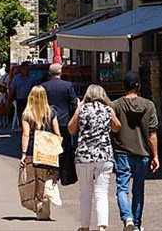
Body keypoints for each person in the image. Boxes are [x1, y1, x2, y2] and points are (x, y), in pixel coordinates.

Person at [68, 85, 121, 231]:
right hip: (104, 156)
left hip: (84, 157)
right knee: (102, 192)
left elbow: (71, 129)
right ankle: (102, 226)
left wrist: (78, 109)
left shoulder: (82, 109)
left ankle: (85, 227)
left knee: (85, 193)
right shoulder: (108, 110)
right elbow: (117, 127)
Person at [113, 71, 159, 231]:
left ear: (123, 86)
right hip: (143, 153)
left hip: (122, 152)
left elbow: (112, 128)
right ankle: (137, 224)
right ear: (139, 86)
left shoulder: (116, 105)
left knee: (122, 188)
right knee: (138, 190)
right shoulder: (149, 105)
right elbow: (152, 133)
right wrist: (156, 155)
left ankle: (128, 219)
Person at [19, 85, 62, 220]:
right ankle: (45, 208)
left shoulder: (27, 114)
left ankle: (38, 207)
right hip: (47, 150)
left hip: (32, 150)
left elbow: (26, 135)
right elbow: (57, 133)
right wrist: (56, 150)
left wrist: (24, 154)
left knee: (34, 180)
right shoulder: (51, 112)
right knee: (46, 178)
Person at [42, 63, 78, 153]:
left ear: (49, 73)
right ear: (60, 72)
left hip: (49, 119)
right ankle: (64, 164)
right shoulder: (67, 85)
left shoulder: (44, 86)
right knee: (65, 146)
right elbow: (73, 102)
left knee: (49, 146)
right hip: (65, 119)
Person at [7, 61, 36, 126]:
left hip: (29, 101)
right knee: (21, 117)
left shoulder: (32, 78)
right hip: (20, 100)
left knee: (30, 117)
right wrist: (8, 102)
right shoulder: (16, 78)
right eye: (25, 69)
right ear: (22, 69)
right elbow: (12, 91)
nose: (27, 71)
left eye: (28, 69)